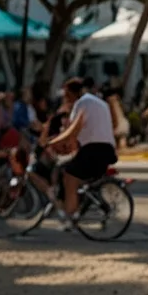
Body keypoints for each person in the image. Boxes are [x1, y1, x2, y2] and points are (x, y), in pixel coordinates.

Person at [45, 77, 117, 220]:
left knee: (69, 176)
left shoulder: (81, 104)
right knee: (71, 168)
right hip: (106, 149)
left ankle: (71, 216)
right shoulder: (97, 102)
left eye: (66, 95)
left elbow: (72, 131)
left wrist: (53, 142)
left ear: (71, 94)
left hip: (94, 150)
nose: (64, 98)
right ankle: (83, 203)